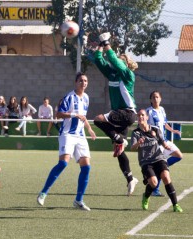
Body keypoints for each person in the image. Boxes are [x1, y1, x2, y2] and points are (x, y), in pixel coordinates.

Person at [37, 72, 96, 211]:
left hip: (80, 136)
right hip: (67, 134)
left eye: (86, 81)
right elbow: (58, 114)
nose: (84, 83)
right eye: (81, 80)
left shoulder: (86, 98)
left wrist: (89, 129)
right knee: (63, 163)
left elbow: (84, 117)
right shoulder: (69, 97)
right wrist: (73, 114)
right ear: (76, 82)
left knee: (86, 167)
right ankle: (44, 192)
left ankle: (78, 200)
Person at [93, 32, 139, 196]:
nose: (117, 61)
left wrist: (106, 42)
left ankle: (119, 139)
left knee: (97, 119)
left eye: (121, 60)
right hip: (121, 116)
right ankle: (130, 179)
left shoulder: (127, 75)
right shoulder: (112, 74)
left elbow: (113, 60)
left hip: (127, 113)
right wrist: (100, 44)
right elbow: (99, 60)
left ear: (124, 64)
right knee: (118, 150)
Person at [130, 109, 183, 212]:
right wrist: (138, 143)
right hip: (146, 162)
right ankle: (146, 196)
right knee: (153, 183)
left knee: (166, 177)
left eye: (143, 115)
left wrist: (166, 146)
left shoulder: (155, 129)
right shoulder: (136, 133)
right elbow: (132, 147)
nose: (141, 117)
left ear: (147, 117)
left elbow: (162, 141)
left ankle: (175, 205)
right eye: (139, 115)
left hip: (159, 158)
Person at [146, 91, 183, 196]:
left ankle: (162, 167)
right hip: (156, 143)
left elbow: (165, 123)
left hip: (165, 140)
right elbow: (145, 126)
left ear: (160, 99)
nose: (155, 99)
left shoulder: (162, 109)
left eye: (157, 97)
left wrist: (173, 131)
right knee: (161, 167)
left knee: (179, 155)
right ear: (150, 100)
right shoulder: (148, 111)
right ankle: (155, 190)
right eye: (153, 97)